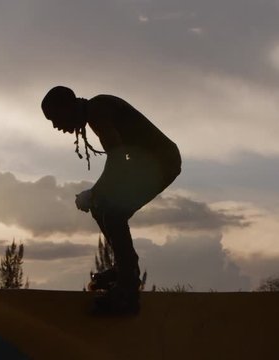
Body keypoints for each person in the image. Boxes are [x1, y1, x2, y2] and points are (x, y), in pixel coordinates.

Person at [41, 86, 181, 312]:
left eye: (55, 118)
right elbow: (121, 162)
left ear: (68, 107)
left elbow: (117, 159)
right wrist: (98, 194)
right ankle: (124, 269)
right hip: (150, 163)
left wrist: (94, 192)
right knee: (104, 207)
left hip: (161, 162)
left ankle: (127, 290)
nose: (56, 126)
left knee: (113, 213)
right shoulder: (98, 110)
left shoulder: (98, 110)